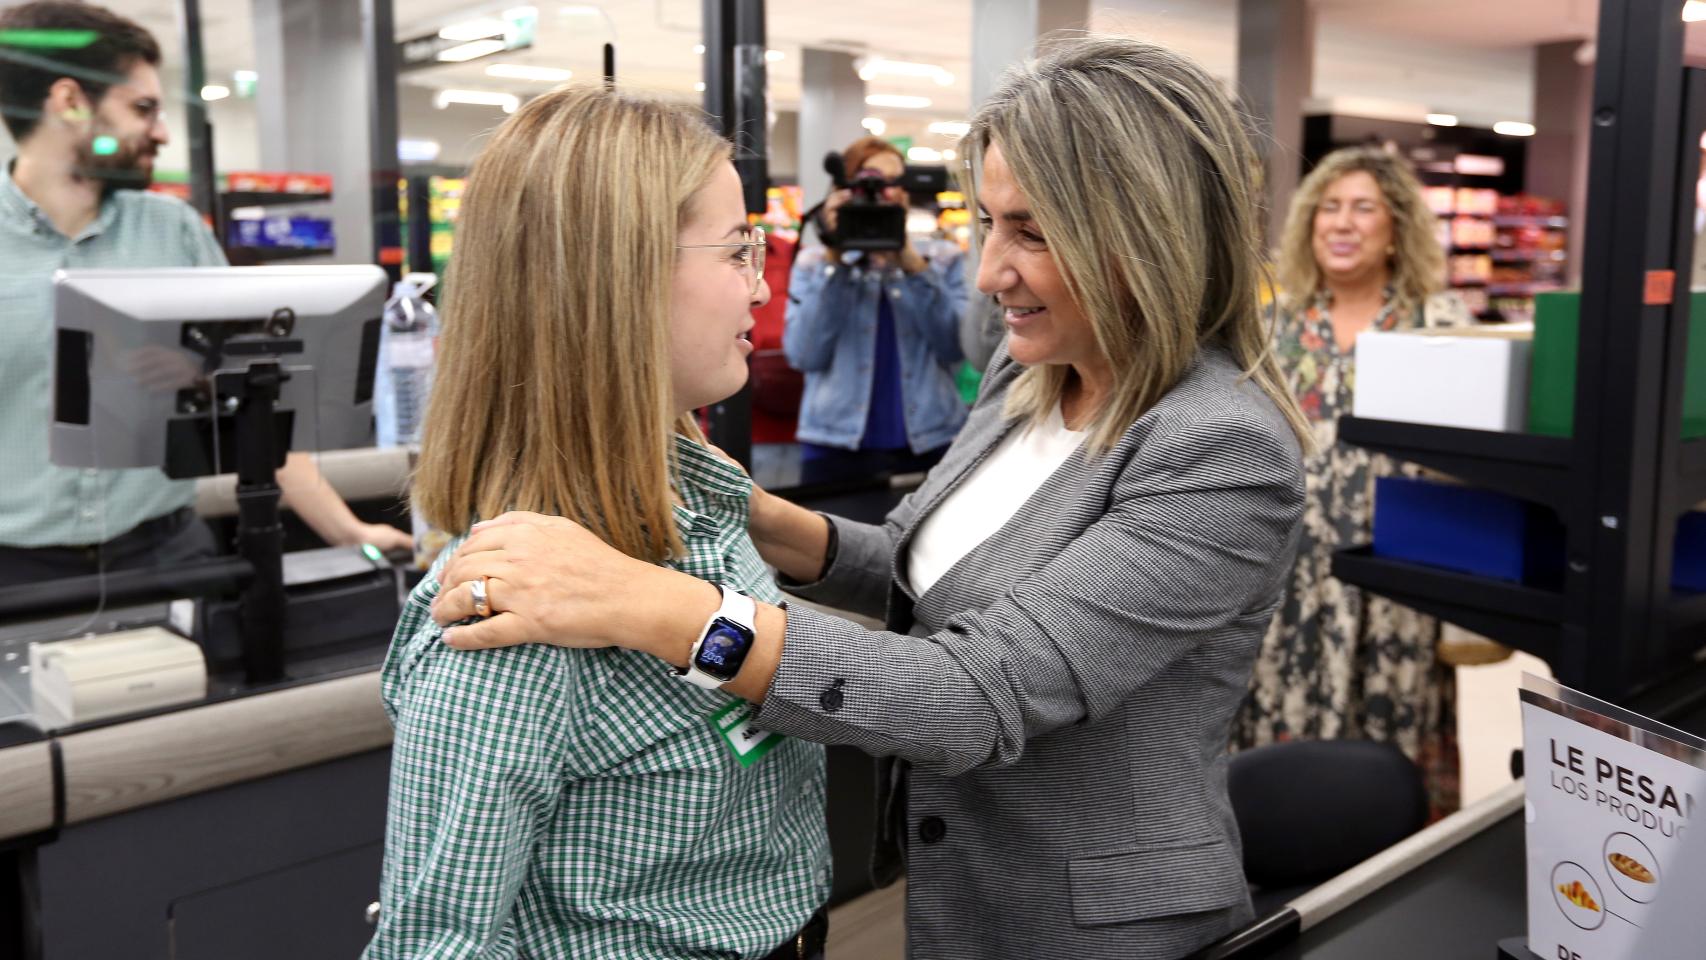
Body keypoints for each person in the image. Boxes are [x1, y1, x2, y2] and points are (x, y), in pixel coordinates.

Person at [428, 36, 1310, 959]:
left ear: (1146, 234)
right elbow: (922, 569)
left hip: (1092, 920)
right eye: (988, 222)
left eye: (1033, 234)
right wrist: (759, 515)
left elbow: (974, 693)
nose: (987, 273)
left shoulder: (1220, 453)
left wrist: (658, 608)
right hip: (961, 881)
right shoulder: (1032, 370)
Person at [363, 86, 830, 959]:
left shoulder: (709, 507)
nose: (762, 287)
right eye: (738, 252)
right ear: (621, 279)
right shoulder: (512, 627)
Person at [0, 0, 409, 587]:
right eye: (142, 109)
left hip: (165, 555)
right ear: (69, 103)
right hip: (16, 575)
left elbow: (261, 402)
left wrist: (350, 531)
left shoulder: (175, 232)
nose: (161, 132)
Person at [1233, 145, 1468, 818]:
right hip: (1287, 580)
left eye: (1364, 208)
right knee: (1282, 728)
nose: (1343, 223)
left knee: (1391, 730)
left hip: (1396, 579)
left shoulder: (1440, 325)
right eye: (1329, 208)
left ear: (1397, 226)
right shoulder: (1273, 326)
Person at [784, 135, 967, 482]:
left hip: (931, 440)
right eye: (870, 182)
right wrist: (835, 260)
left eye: (893, 182)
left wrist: (912, 265)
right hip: (833, 445)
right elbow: (803, 354)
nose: (882, 192)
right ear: (843, 190)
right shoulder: (813, 264)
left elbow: (953, 347)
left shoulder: (942, 260)